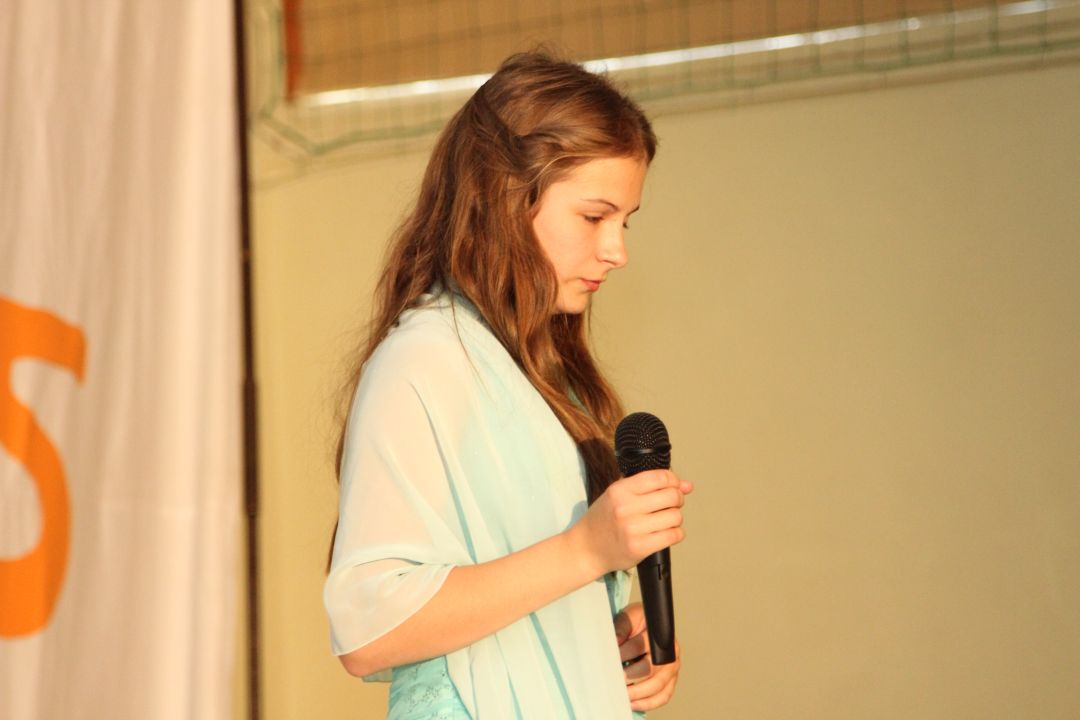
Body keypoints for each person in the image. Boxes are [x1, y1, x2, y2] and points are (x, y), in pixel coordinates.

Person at [323, 52, 692, 719]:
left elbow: (519, 590)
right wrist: (587, 551)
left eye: (625, 221)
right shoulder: (424, 360)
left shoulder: (547, 376)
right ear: (505, 198)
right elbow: (366, 629)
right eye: (594, 217)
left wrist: (606, 635)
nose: (617, 251)